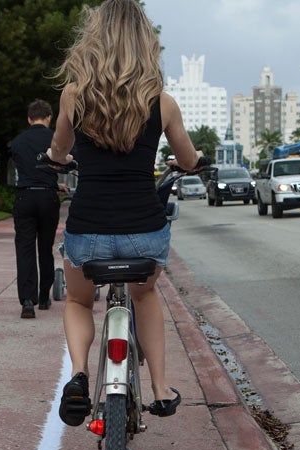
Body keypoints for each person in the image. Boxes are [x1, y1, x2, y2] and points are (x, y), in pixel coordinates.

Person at [45, 0, 203, 426]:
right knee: (145, 294)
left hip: (88, 232)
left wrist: (56, 155)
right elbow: (187, 159)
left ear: (94, 41)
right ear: (145, 44)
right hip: (143, 231)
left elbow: (59, 150)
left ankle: (78, 374)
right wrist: (194, 159)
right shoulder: (162, 102)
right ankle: (161, 388)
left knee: (78, 300)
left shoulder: (73, 96)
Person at [10, 99, 69, 319]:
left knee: (24, 248)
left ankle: (27, 300)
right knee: (45, 247)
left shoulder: (17, 141)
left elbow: (25, 167)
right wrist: (54, 183)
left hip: (25, 196)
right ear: (49, 117)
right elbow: (60, 163)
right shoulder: (55, 139)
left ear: (29, 118)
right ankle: (44, 295)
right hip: (47, 197)